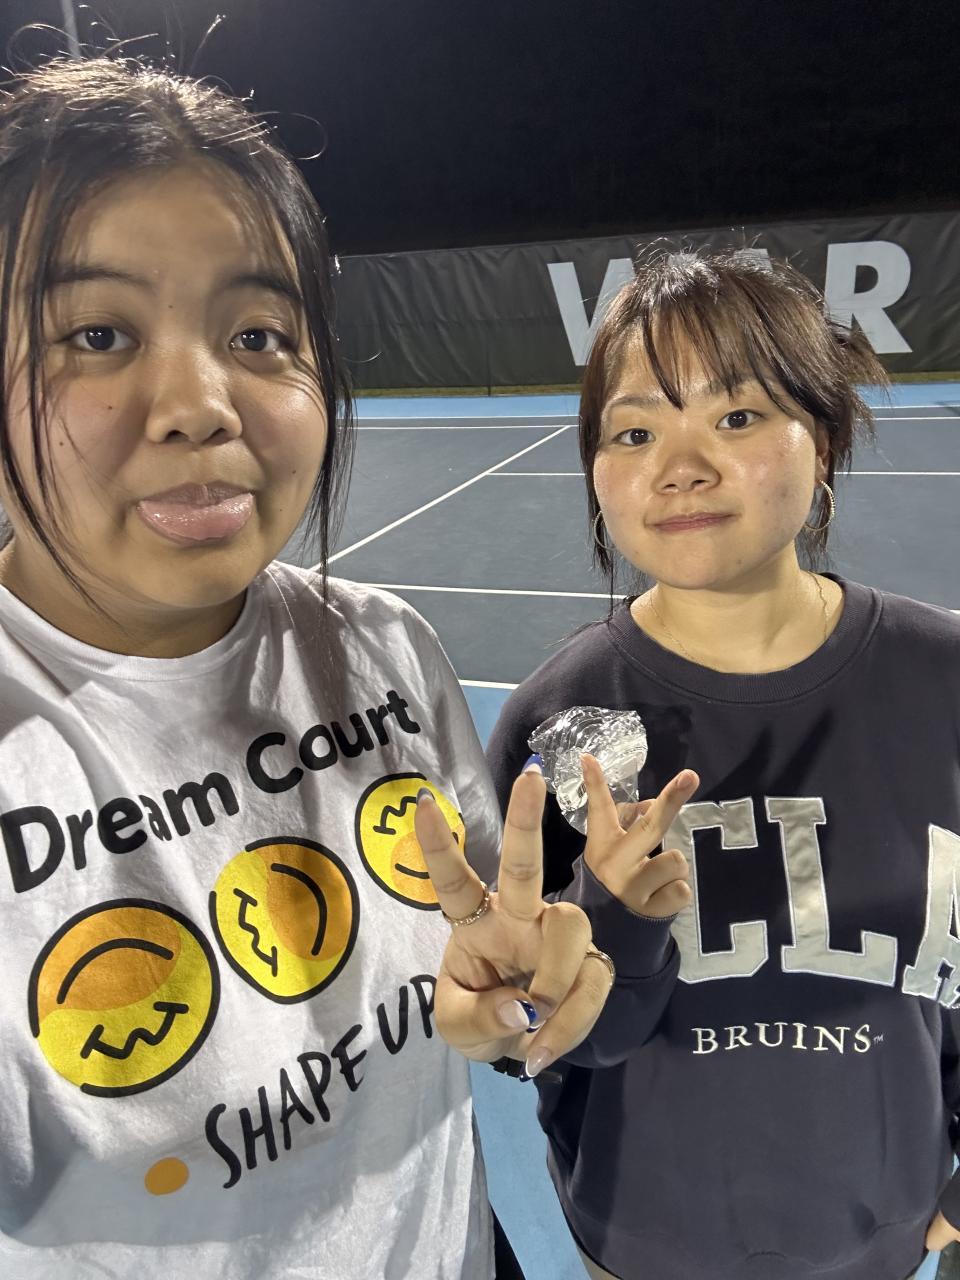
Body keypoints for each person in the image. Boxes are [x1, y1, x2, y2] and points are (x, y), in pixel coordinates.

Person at [0, 56, 612, 1279]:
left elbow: (486, 969)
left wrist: (522, 997)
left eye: (260, 334)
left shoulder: (384, 644)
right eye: (97, 333)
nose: (199, 402)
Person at [485, 250, 960, 1280]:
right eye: (634, 432)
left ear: (821, 439)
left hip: (882, 1240)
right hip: (639, 1244)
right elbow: (545, 1037)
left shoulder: (945, 682)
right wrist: (606, 926)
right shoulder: (555, 725)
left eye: (736, 416)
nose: (680, 466)